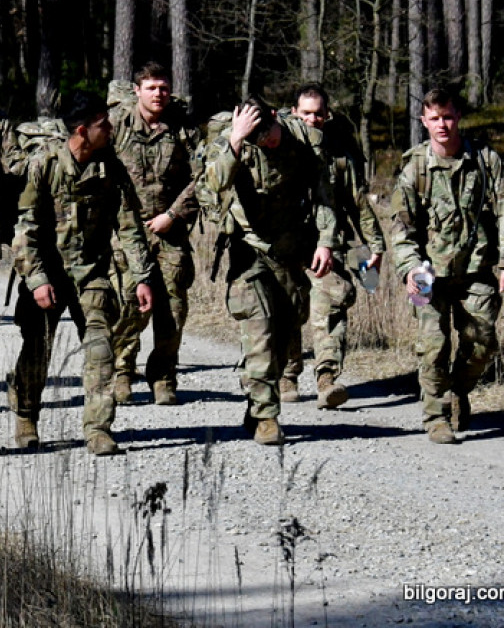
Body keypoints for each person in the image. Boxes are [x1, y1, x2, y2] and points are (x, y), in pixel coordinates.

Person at [11, 91, 154, 455]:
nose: (109, 129)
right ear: (81, 130)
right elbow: (24, 229)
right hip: (46, 273)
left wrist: (141, 276)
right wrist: (38, 280)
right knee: (37, 350)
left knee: (100, 348)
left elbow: (130, 225)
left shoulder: (110, 166)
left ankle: (98, 428)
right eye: (102, 125)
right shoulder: (44, 164)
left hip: (91, 272)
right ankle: (26, 414)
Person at [200, 96, 337, 445]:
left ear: (276, 116)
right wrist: (235, 138)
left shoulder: (306, 139)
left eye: (268, 133)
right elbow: (212, 186)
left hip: (291, 251)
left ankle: (257, 401)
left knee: (284, 336)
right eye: (257, 137)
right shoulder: (232, 141)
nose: (266, 142)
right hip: (249, 251)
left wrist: (326, 242)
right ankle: (266, 418)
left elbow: (322, 194)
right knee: (259, 329)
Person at [390, 88, 504, 444]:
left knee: (483, 342)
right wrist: (410, 270)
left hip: (477, 271)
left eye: (449, 116)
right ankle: (436, 415)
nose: (443, 124)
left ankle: (458, 390)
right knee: (432, 344)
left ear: (459, 117)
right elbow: (402, 230)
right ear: (424, 121)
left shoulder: (486, 161)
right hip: (428, 274)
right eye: (435, 118)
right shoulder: (414, 169)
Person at [280, 84, 386, 408]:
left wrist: (374, 245)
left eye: (318, 113)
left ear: (327, 115)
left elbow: (357, 203)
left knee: (332, 302)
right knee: (288, 306)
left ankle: (327, 378)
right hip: (286, 245)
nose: (312, 119)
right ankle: (286, 373)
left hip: (330, 245)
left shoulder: (339, 156)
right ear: (294, 113)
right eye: (306, 113)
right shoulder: (278, 148)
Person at [109, 63, 201, 406]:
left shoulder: (182, 128)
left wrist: (173, 214)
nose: (158, 94)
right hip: (125, 230)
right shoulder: (116, 124)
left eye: (163, 88)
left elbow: (202, 177)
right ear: (137, 91)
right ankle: (122, 370)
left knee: (173, 307)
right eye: (151, 88)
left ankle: (163, 377)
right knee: (130, 303)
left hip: (169, 229)